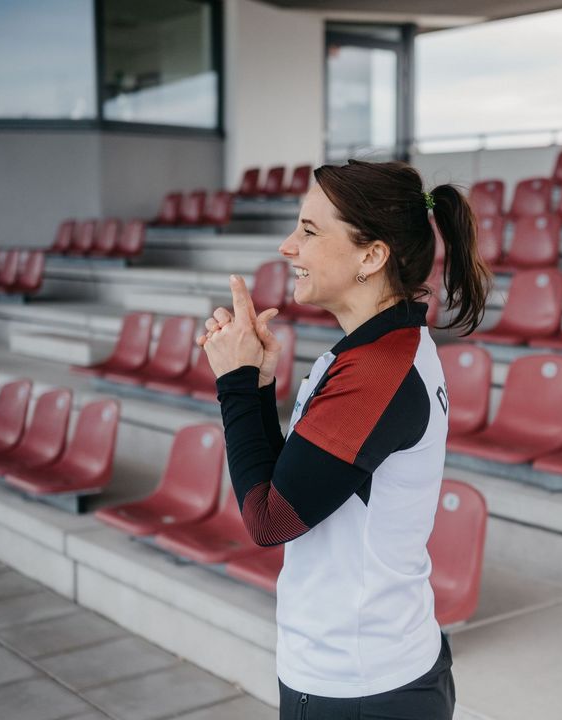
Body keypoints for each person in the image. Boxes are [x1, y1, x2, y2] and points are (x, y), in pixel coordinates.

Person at [198, 160, 490, 720]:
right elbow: (296, 485)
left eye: (309, 231)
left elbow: (271, 518)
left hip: (361, 685)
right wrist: (258, 382)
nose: (289, 247)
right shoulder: (375, 350)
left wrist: (235, 386)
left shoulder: (379, 371)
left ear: (371, 256)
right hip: (367, 669)